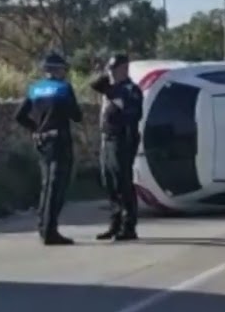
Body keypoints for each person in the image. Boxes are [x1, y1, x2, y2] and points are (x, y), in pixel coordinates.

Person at [14, 52, 82, 246]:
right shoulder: (64, 88)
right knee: (57, 185)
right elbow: (76, 116)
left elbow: (19, 116)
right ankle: (51, 230)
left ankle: (43, 226)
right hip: (59, 140)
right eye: (63, 69)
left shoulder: (35, 89)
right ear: (58, 70)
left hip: (42, 141)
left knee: (46, 185)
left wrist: (36, 128)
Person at [90, 53, 143, 242]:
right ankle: (115, 223)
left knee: (123, 182)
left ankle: (128, 226)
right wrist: (107, 75)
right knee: (110, 182)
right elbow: (94, 84)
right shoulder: (111, 87)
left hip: (123, 139)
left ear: (124, 69)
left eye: (115, 69)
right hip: (108, 138)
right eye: (110, 69)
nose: (111, 73)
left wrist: (115, 95)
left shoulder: (131, 90)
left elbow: (134, 114)